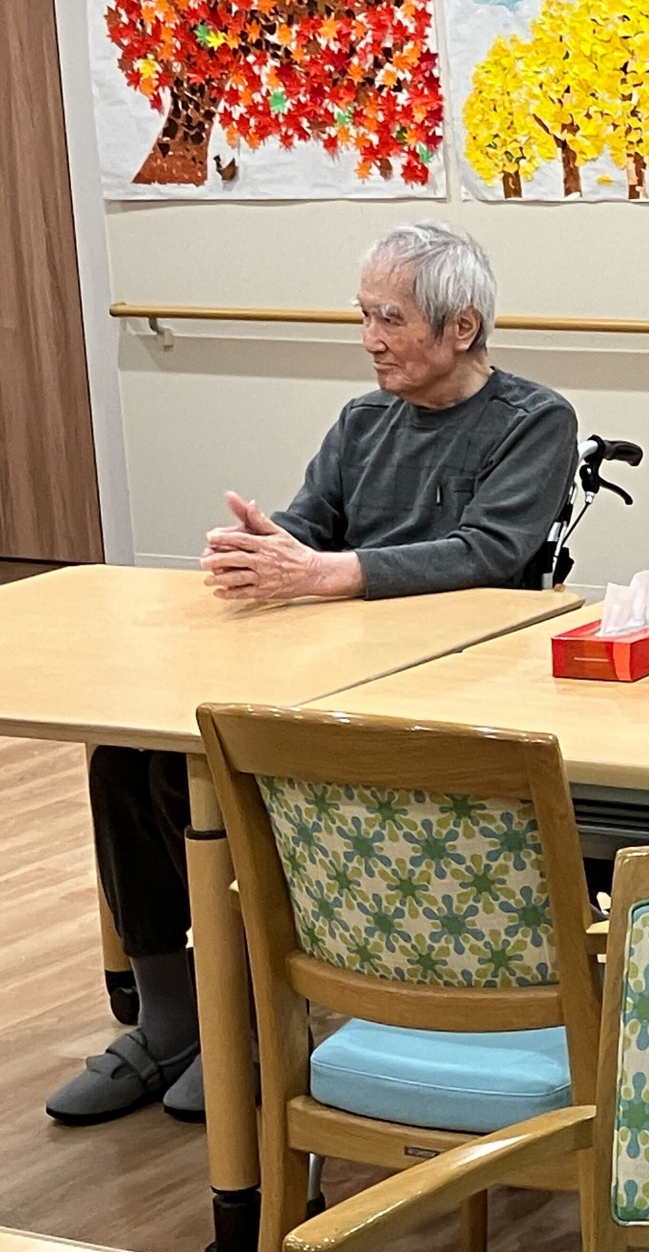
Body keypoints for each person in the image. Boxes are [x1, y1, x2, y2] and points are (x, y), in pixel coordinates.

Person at [48, 221, 578, 1127]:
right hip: (330, 670)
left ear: (462, 328)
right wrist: (265, 549)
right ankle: (171, 1022)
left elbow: (490, 553)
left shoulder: (535, 420)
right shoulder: (363, 420)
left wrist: (331, 573)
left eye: (391, 318)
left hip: (444, 686)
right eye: (363, 315)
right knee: (128, 762)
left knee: (210, 782)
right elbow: (312, 525)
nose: (370, 338)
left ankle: (246, 1018)